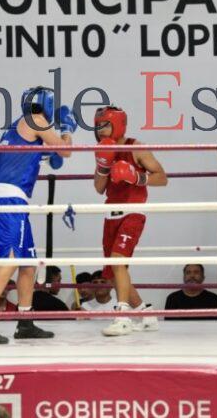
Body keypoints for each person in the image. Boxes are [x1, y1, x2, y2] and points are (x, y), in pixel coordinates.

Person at [0, 86, 75, 344]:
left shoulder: (21, 128)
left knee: (28, 264)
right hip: (10, 200)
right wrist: (68, 129)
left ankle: (25, 322)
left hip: (16, 201)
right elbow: (66, 151)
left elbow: (52, 158)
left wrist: (52, 150)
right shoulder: (36, 120)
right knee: (11, 261)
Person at [93, 105, 167, 336]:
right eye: (97, 126)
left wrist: (136, 176)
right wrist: (104, 166)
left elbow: (162, 178)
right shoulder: (102, 150)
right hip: (111, 213)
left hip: (133, 212)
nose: (100, 130)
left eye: (104, 125)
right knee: (114, 273)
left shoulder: (136, 147)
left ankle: (122, 316)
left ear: (117, 124)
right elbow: (99, 188)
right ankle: (146, 314)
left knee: (117, 262)